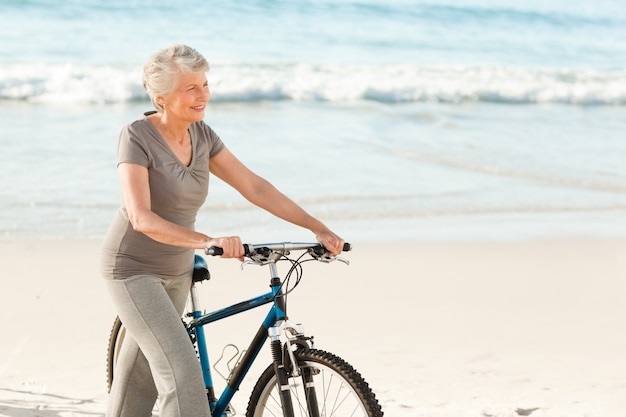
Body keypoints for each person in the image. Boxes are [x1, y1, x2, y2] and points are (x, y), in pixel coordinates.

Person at [100, 44, 344, 417]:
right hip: (133, 269)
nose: (203, 95)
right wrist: (209, 241)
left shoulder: (203, 136)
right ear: (161, 97)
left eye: (205, 84)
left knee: (140, 377)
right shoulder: (136, 136)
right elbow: (141, 217)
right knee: (183, 376)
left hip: (177, 269)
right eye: (190, 88)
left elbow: (255, 187)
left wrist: (318, 228)